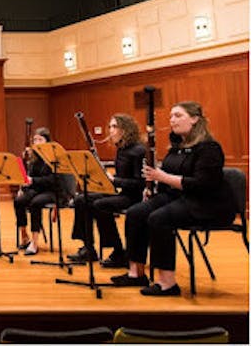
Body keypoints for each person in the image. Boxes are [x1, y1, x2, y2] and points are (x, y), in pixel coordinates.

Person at [111, 102, 235, 296]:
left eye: (178, 115)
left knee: (159, 218)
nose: (172, 120)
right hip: (177, 196)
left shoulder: (209, 148)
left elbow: (203, 184)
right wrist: (153, 187)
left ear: (195, 119)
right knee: (136, 212)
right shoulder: (176, 147)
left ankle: (167, 283)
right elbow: (167, 174)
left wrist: (163, 178)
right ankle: (136, 273)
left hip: (206, 203)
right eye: (170, 116)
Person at [67, 114, 145, 267]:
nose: (110, 130)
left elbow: (140, 183)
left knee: (101, 204)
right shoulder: (121, 149)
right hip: (121, 192)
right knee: (81, 199)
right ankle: (88, 248)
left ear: (125, 130)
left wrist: (114, 180)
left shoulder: (138, 151)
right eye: (110, 126)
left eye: (114, 127)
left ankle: (118, 250)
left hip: (134, 197)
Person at [14, 127, 56, 256]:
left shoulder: (53, 156)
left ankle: (35, 243)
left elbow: (52, 180)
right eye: (35, 139)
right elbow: (28, 177)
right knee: (19, 201)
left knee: (35, 203)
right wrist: (23, 188)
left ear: (47, 141)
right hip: (36, 189)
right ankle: (24, 236)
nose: (36, 142)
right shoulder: (33, 157)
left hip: (51, 191)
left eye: (40, 139)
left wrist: (33, 181)